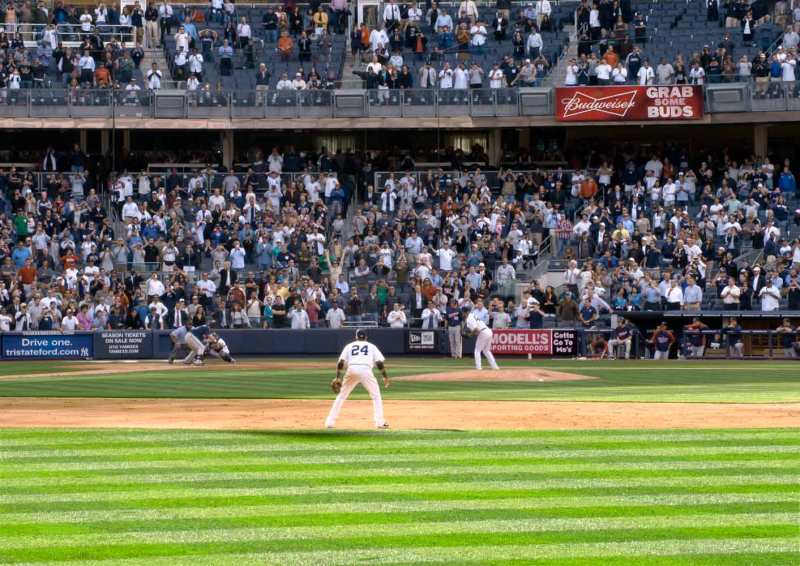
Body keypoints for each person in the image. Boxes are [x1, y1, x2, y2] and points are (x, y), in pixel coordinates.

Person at [325, 329, 390, 429]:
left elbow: (341, 362)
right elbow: (379, 363)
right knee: (376, 396)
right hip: (366, 370)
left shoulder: (349, 346)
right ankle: (380, 422)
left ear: (356, 337)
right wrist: (385, 377)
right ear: (366, 337)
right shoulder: (371, 346)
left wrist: (337, 377)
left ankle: (329, 422)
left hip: (352, 369)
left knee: (341, 396)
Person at [464, 304, 499, 370]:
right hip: (488, 331)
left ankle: (478, 367)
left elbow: (477, 330)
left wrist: (470, 335)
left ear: (465, 312)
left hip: (483, 332)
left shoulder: (469, 318)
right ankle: (495, 366)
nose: (462, 313)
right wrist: (471, 334)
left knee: (477, 350)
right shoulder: (472, 315)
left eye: (463, 312)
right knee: (486, 351)